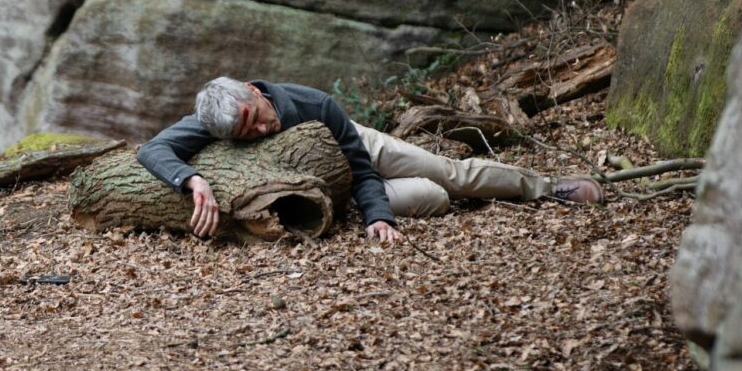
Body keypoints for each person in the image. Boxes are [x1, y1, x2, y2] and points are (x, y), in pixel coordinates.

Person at [136, 77, 603, 243]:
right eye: (246, 135)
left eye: (254, 118)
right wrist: (192, 180)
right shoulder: (214, 118)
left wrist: (377, 211)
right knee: (434, 197)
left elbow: (361, 165)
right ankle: (412, 203)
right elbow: (151, 149)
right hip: (333, 192)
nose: (260, 131)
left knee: (448, 174)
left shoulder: (313, 102)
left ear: (253, 92)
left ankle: (546, 186)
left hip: (357, 149)